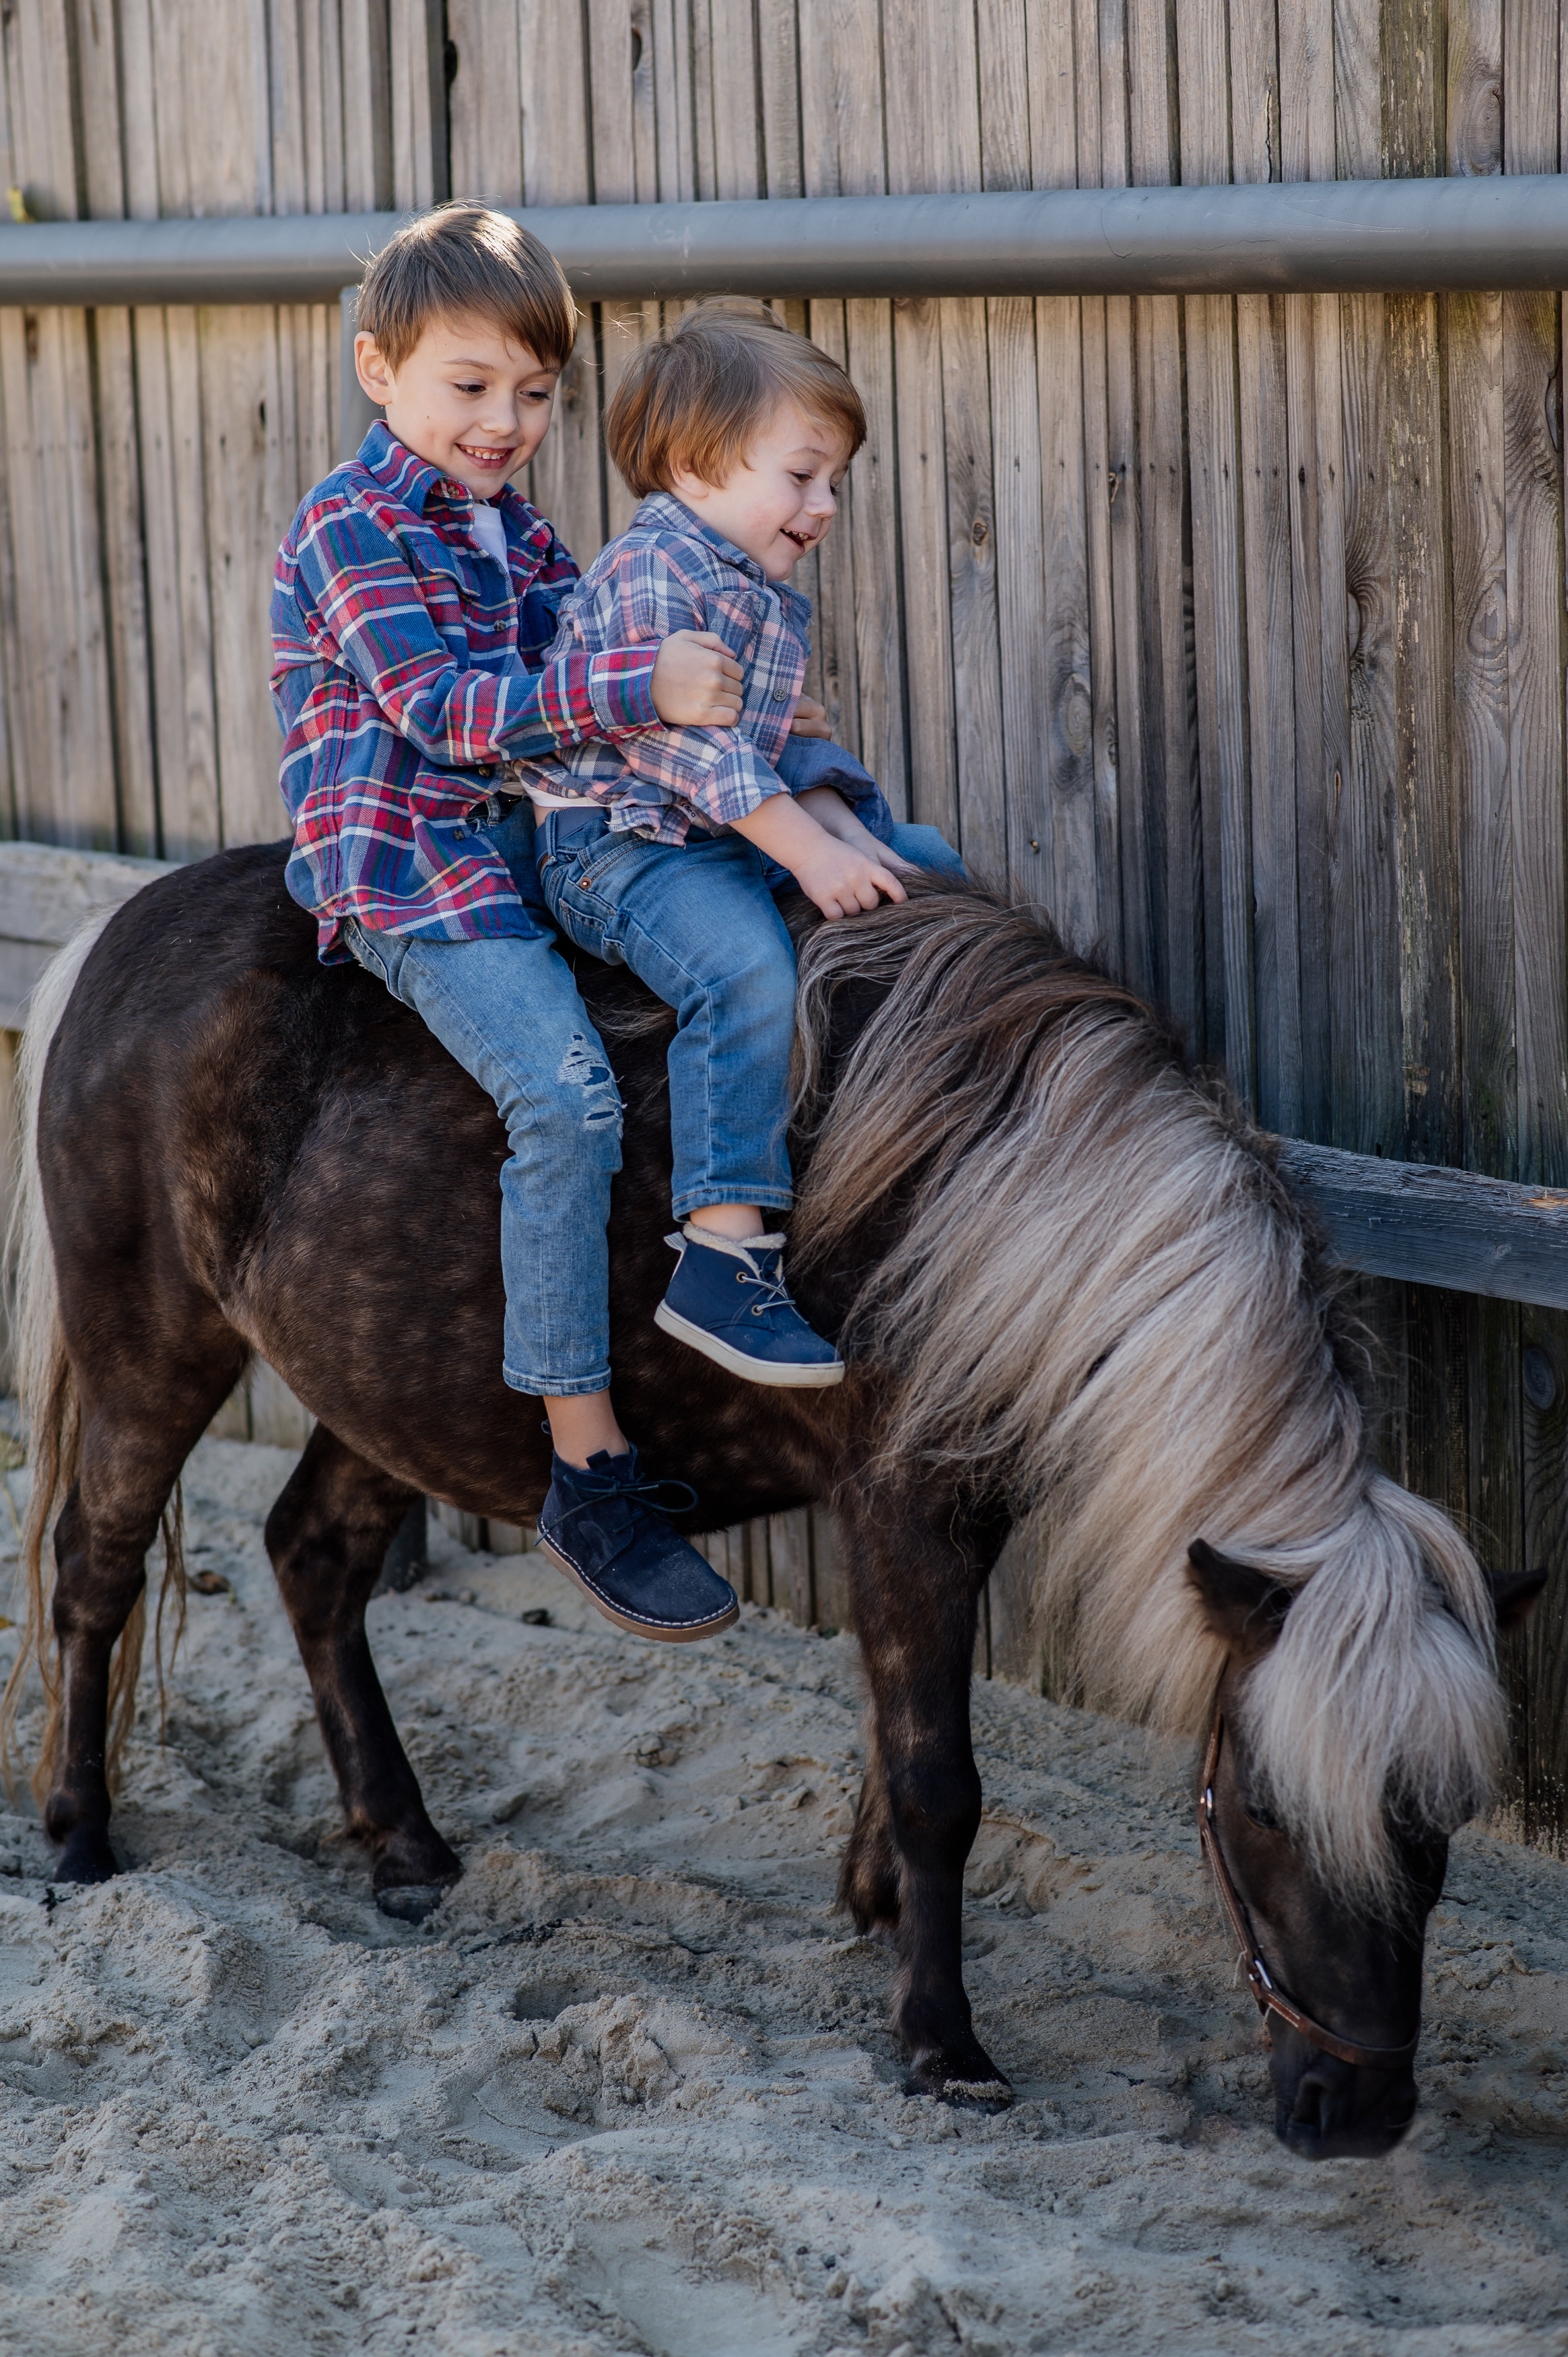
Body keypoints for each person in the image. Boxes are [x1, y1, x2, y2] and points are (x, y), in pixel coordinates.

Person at [270, 204, 779, 1645]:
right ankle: (587, 1468)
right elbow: (443, 714)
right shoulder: (348, 527)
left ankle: (732, 1253)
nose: (507, 422)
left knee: (742, 938)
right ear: (381, 371)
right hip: (414, 867)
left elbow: (591, 661)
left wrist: (724, 689)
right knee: (563, 1100)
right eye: (471, 387)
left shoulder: (519, 529)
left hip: (532, 841)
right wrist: (635, 689)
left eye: (537, 394)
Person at [520, 301, 964, 1401]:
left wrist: (859, 839)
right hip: (618, 849)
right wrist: (809, 858)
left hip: (713, 834)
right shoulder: (649, 577)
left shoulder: (756, 594)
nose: (822, 507)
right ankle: (722, 1248)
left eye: (834, 483)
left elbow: (781, 751)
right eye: (802, 475)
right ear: (694, 465)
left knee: (933, 861)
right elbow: (697, 759)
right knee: (742, 968)